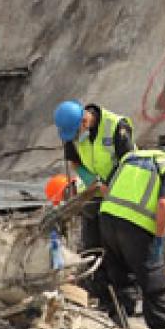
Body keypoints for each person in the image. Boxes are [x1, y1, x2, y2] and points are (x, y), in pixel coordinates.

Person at [98, 144, 165, 329]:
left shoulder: (129, 157)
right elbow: (164, 204)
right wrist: (159, 239)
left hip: (107, 219)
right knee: (153, 281)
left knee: (121, 277)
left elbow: (105, 188)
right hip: (135, 225)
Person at [54, 100, 135, 299]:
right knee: (92, 248)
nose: (75, 138)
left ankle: (126, 297)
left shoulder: (116, 126)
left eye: (76, 132)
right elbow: (75, 161)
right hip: (95, 195)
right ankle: (101, 296)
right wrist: (92, 181)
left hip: (120, 194)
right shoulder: (71, 132)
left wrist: (112, 187)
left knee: (117, 249)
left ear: (84, 120)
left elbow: (130, 162)